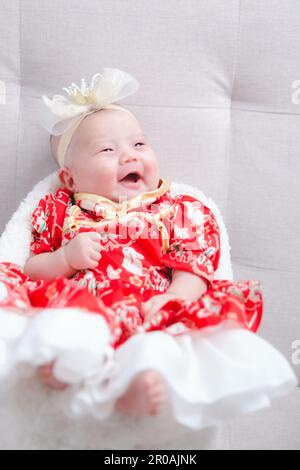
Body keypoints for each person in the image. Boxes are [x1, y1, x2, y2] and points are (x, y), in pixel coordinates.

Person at [0, 68, 296, 428]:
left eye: (139, 145)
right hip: (83, 304)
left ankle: (135, 386)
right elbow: (29, 269)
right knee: (68, 328)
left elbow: (196, 263)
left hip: (149, 309)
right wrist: (64, 258)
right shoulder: (61, 210)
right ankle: (66, 367)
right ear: (70, 178)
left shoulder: (176, 208)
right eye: (108, 150)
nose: (129, 156)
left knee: (157, 348)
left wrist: (175, 295)